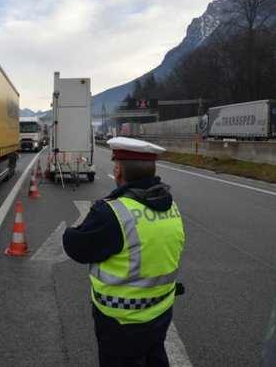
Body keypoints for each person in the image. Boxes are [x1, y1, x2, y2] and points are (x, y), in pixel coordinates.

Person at [63, 137, 185, 367]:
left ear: (118, 170)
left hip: (121, 322)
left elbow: (75, 247)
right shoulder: (170, 206)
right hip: (159, 314)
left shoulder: (112, 213)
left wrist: (73, 230)